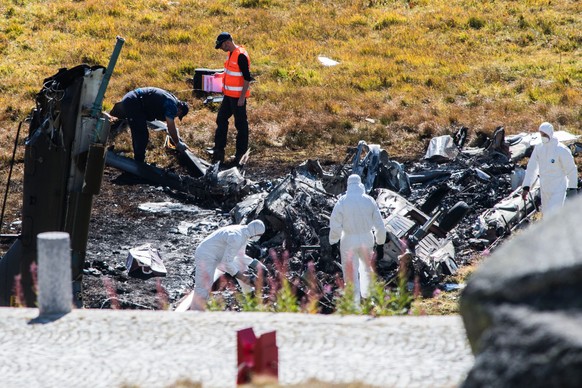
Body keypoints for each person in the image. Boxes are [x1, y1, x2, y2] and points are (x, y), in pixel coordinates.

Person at [328, 174, 387, 306]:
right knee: (366, 269)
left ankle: (354, 304)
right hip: (367, 238)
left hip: (348, 239)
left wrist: (333, 242)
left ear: (348, 185)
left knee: (350, 272)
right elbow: (379, 224)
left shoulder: (342, 201)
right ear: (360, 184)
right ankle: (368, 300)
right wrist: (380, 243)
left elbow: (335, 224)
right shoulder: (369, 200)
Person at [189, 220, 266, 311]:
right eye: (259, 236)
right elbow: (227, 263)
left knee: (241, 267)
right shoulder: (236, 237)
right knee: (204, 285)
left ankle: (250, 296)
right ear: (255, 233)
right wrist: (243, 277)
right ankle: (196, 313)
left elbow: (240, 255)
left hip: (219, 254)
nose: (259, 238)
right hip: (206, 255)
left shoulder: (244, 234)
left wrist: (257, 265)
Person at [208, 32, 253, 168]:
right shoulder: (231, 54)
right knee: (221, 119)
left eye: (221, 46)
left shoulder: (241, 56)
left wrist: (241, 98)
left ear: (227, 42)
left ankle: (240, 154)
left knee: (241, 125)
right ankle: (218, 151)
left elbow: (247, 78)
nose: (221, 49)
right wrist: (220, 75)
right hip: (228, 96)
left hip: (238, 98)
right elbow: (231, 72)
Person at [521, 122, 578, 216]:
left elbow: (571, 169)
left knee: (553, 216)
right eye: (541, 134)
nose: (543, 136)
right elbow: (532, 168)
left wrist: (572, 188)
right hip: (545, 189)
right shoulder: (539, 148)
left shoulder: (561, 150)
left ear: (550, 133)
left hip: (558, 189)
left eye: (545, 134)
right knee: (547, 217)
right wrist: (526, 187)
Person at [119, 87, 189, 163]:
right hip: (133, 102)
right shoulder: (172, 105)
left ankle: (139, 159)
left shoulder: (172, 99)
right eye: (178, 115)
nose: (176, 116)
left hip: (133, 99)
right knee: (141, 134)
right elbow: (170, 126)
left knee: (141, 132)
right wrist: (177, 143)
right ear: (180, 109)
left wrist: (176, 137)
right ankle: (139, 163)